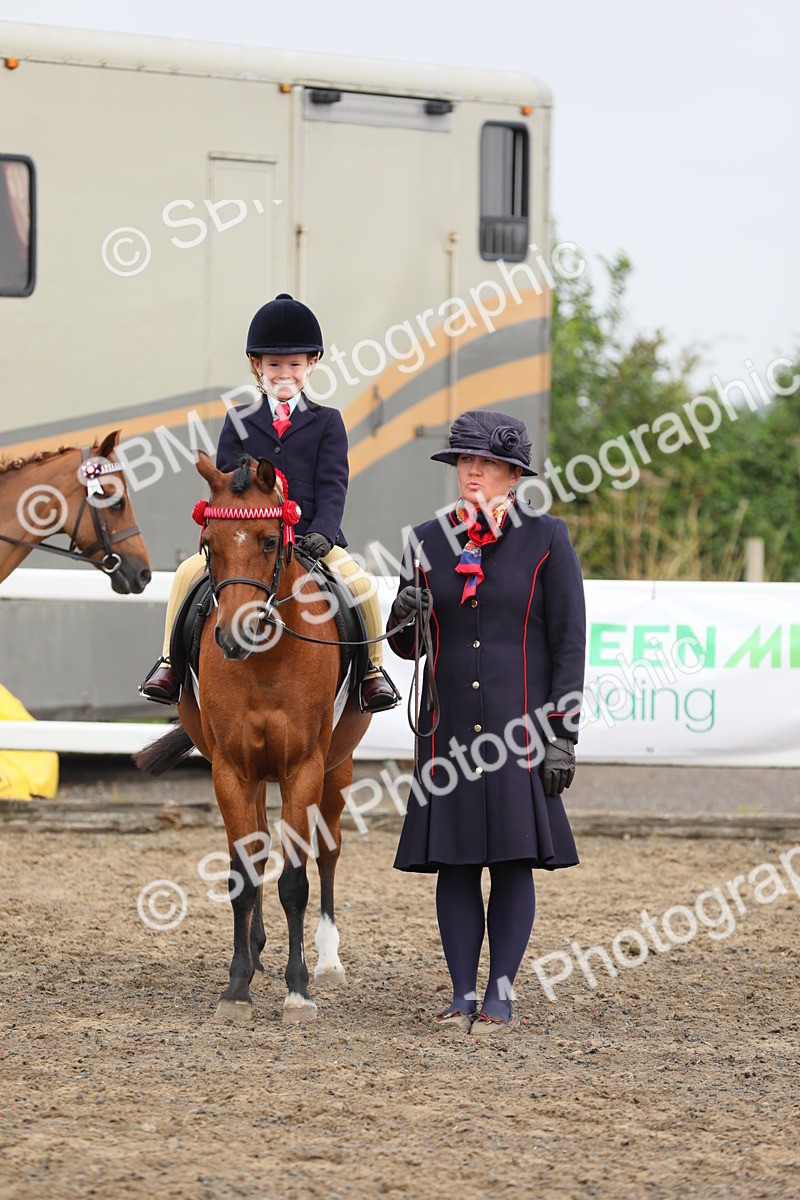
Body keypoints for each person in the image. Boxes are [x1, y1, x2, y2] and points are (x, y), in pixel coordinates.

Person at [387, 409, 586, 1034]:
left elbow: (570, 643)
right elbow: (406, 648)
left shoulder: (546, 538)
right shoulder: (424, 539)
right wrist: (401, 614)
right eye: (464, 461)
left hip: (520, 731)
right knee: (454, 861)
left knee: (510, 862)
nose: (472, 471)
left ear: (512, 473)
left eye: (487, 462)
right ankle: (461, 993)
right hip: (445, 731)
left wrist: (563, 736)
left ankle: (500, 996)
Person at [140, 293, 398, 713]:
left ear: (311, 365)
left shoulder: (328, 421)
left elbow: (334, 484)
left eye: (294, 364)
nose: (285, 373)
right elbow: (224, 483)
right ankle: (170, 663)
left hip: (312, 536)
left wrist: (324, 533)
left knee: (361, 585)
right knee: (186, 576)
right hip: (251, 538)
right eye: (274, 365)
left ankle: (371, 672)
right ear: (257, 367)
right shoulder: (238, 420)